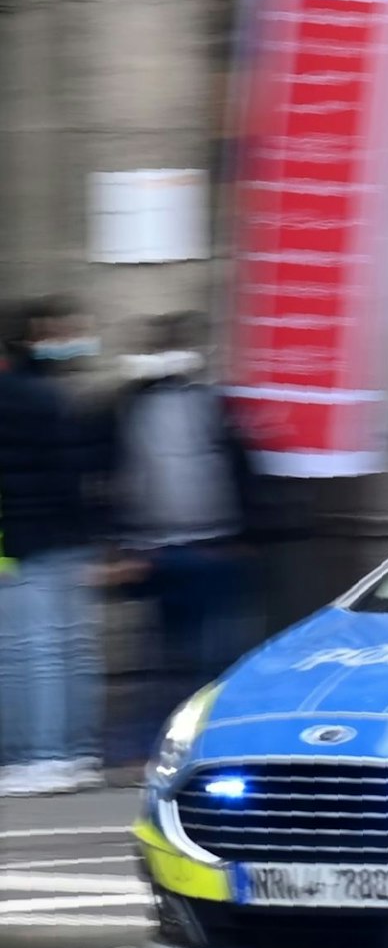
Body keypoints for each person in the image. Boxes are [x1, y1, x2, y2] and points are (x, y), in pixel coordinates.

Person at [106, 312, 267, 739]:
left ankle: (219, 734)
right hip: (161, 550)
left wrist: (248, 535)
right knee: (166, 656)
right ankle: (161, 739)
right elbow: (114, 477)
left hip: (212, 545)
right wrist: (122, 546)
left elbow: (244, 469)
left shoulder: (215, 403)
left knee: (214, 653)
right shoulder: (128, 405)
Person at [0, 299, 107, 796]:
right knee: (68, 651)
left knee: (28, 655)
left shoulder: (12, 396)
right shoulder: (50, 394)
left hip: (20, 540)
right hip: (63, 537)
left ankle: (38, 758)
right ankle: (75, 752)